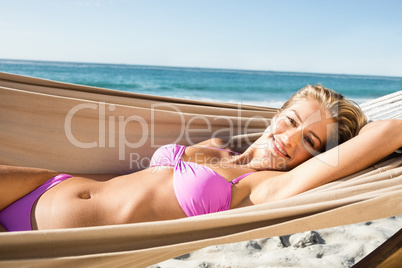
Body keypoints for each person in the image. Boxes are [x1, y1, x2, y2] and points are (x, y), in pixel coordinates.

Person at [1, 85, 401, 232]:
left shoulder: (265, 187)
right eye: (291, 121)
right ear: (276, 115)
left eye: (311, 140)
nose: (290, 138)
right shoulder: (216, 146)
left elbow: (388, 131)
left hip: (47, 238)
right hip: (47, 183)